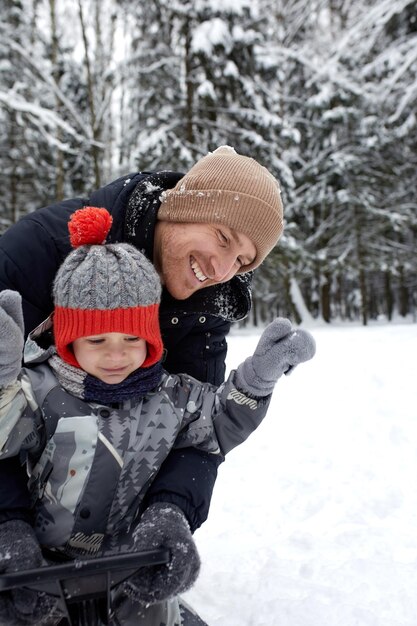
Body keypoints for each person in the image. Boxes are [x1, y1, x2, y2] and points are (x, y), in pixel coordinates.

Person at [0, 207, 315, 625]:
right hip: (39, 564)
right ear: (69, 339)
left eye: (132, 337)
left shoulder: (173, 395)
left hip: (133, 560)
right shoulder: (39, 391)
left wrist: (256, 381)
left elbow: (218, 426)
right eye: (97, 339)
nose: (116, 354)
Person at [0, 146, 285, 542]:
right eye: (223, 238)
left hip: (105, 538)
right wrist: (8, 526)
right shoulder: (42, 249)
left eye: (242, 261)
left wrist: (169, 516)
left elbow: (200, 434)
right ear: (181, 208)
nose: (222, 270)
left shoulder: (204, 312)